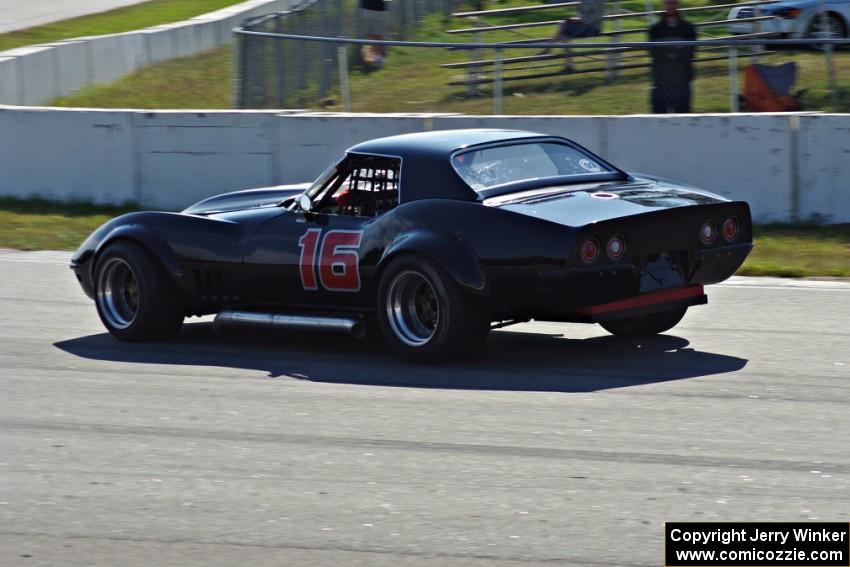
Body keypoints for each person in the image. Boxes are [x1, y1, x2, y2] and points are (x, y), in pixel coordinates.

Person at [648, 0, 696, 113]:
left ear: (678, 4)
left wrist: (666, 51)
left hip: (682, 82)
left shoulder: (688, 28)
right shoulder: (655, 29)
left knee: (683, 119)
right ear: (663, 4)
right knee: (658, 119)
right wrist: (677, 50)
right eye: (668, 3)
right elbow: (654, 53)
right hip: (660, 82)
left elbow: (690, 53)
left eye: (673, 3)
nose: (671, 6)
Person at [544, 0, 604, 73]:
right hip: (584, 26)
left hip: (592, 29)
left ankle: (549, 49)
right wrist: (576, 19)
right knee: (562, 28)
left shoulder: (596, 1)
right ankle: (568, 65)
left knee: (563, 30)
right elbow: (583, 15)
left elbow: (594, 18)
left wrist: (578, 20)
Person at [360, 0, 388, 67]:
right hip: (367, 7)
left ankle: (378, 57)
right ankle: (373, 58)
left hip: (378, 8)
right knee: (371, 34)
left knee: (377, 34)